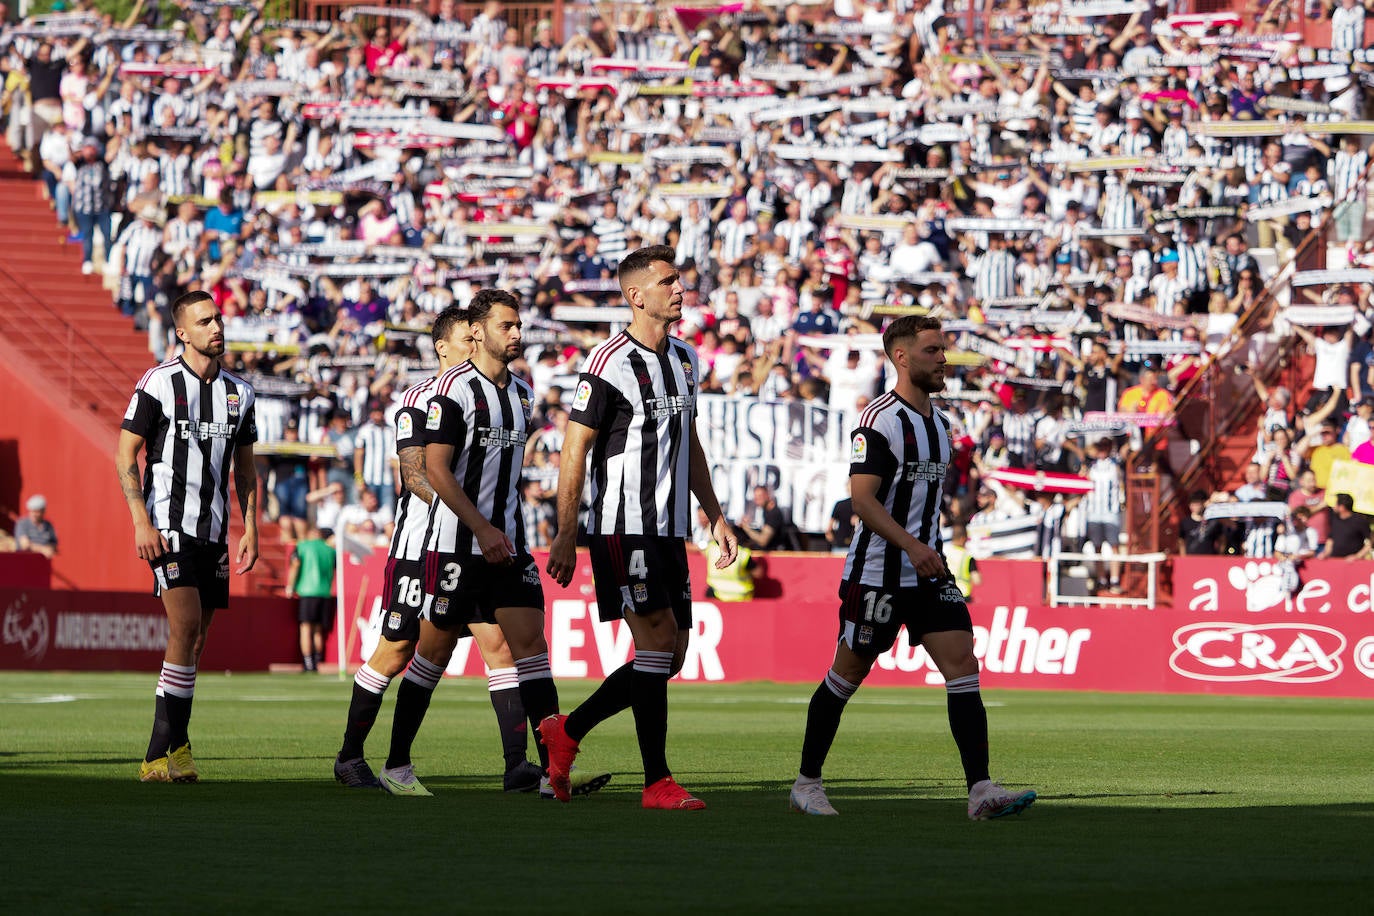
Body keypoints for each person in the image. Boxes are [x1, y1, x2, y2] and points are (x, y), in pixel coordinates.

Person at [334, 307, 591, 797]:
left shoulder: (521, 394)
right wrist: (475, 520)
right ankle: (364, 757)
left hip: (501, 545)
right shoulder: (426, 397)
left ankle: (527, 768)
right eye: (465, 339)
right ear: (452, 343)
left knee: (513, 648)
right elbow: (419, 475)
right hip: (430, 546)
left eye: (518, 327)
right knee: (405, 652)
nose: (473, 347)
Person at [789, 315, 1035, 819]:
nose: (943, 359)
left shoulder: (940, 425)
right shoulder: (878, 420)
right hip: (878, 572)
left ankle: (980, 790)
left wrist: (932, 549)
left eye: (942, 350)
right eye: (932, 351)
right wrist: (911, 545)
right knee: (847, 674)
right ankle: (806, 782)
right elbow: (862, 500)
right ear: (901, 357)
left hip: (928, 573)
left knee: (963, 667)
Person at [543, 245, 738, 810]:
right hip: (621, 525)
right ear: (636, 295)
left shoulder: (683, 358)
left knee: (671, 654)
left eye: (679, 280)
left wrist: (714, 513)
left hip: (669, 527)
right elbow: (574, 447)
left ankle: (567, 731)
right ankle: (657, 782)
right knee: (653, 643)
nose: (680, 290)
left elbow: (688, 441)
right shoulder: (607, 364)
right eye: (668, 282)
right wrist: (565, 530)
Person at [115, 290, 259, 783]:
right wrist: (140, 519)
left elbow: (245, 469)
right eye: (204, 321)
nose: (216, 327)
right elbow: (125, 454)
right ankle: (157, 753)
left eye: (217, 318)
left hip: (215, 531)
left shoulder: (241, 392)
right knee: (186, 625)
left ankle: (179, 747)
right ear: (182, 332)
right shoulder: (158, 383)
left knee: (196, 642)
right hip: (169, 526)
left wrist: (252, 528)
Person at [285, 524, 335, 673]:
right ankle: (317, 660)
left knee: (306, 628)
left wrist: (290, 586)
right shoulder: (330, 550)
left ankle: (308, 663)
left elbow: (295, 565)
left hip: (307, 592)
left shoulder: (303, 546)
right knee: (318, 630)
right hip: (325, 593)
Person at [1322, 493, 1372, 560]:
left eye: (1335, 504)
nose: (1333, 506)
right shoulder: (1334, 519)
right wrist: (1325, 553)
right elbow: (1331, 539)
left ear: (1342, 507)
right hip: (1335, 561)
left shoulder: (1359, 520)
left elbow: (1369, 543)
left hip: (1353, 563)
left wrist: (1357, 556)